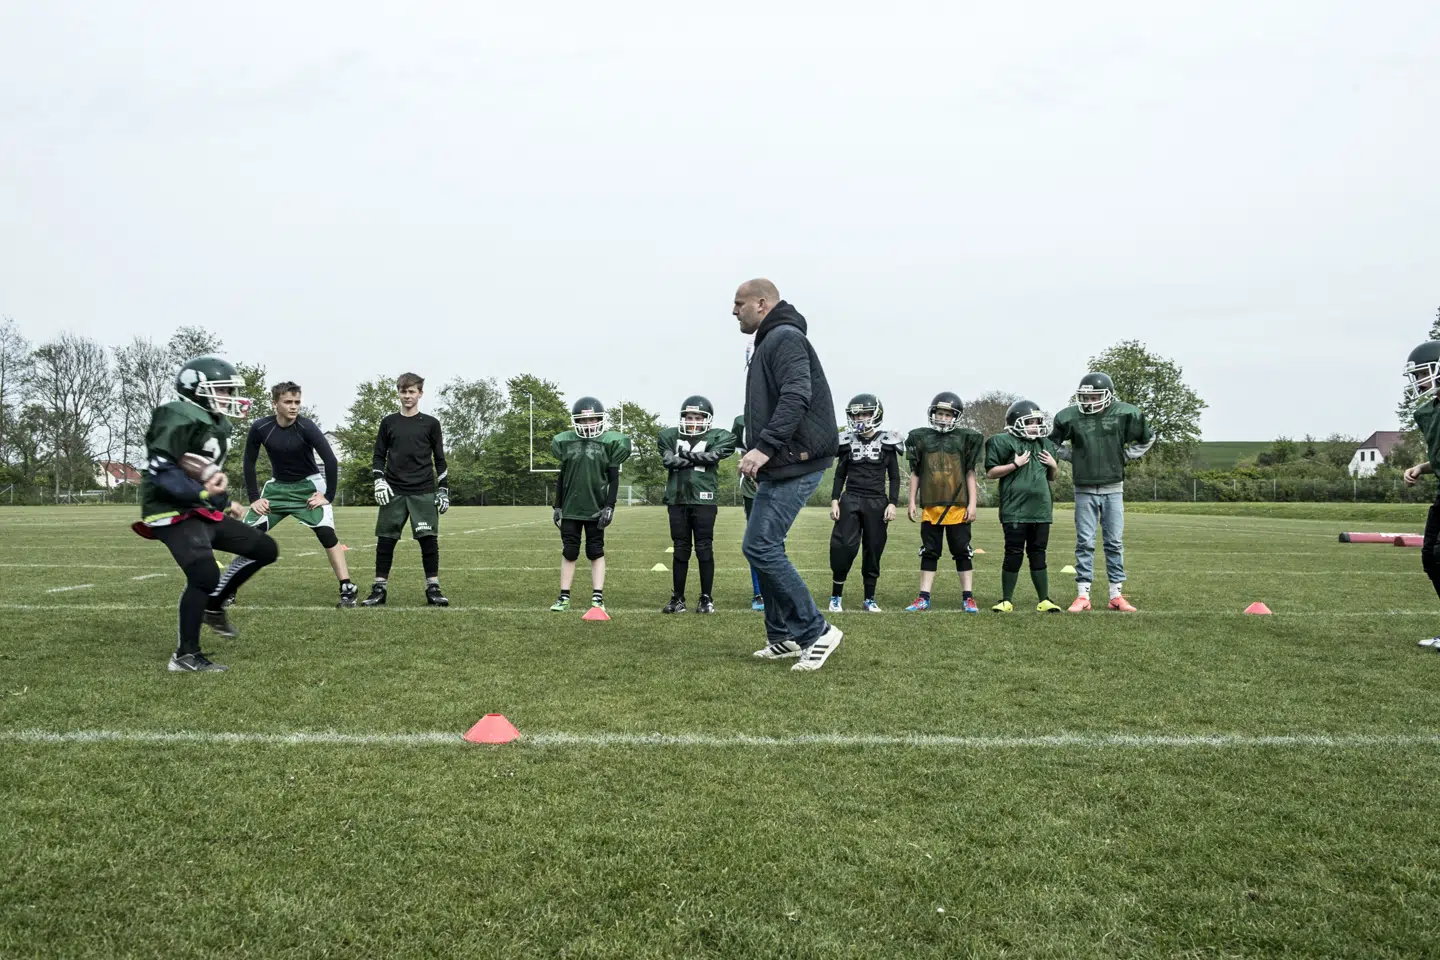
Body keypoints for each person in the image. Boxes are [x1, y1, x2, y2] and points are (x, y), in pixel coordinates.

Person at [131, 355, 279, 672]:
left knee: (264, 548)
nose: (228, 397)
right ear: (197, 390)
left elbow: (205, 475)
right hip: (170, 512)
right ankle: (185, 656)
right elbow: (162, 470)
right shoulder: (176, 414)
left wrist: (225, 502)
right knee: (204, 574)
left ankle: (214, 605)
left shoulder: (215, 424)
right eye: (222, 390)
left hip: (199, 509)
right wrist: (202, 493)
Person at [733, 278, 843, 672]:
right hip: (782, 461)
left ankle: (816, 632)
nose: (734, 311)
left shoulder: (784, 338)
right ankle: (783, 636)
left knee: (762, 546)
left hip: (794, 459)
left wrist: (763, 447)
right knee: (758, 546)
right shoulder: (771, 340)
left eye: (739, 303)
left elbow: (798, 394)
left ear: (762, 303)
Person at [236, 381, 355, 608]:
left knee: (327, 535)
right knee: (248, 536)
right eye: (288, 402)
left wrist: (328, 496)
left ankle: (347, 587)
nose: (294, 407)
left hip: (308, 488)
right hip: (277, 489)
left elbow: (330, 460)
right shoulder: (261, 427)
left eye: (297, 402)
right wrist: (254, 498)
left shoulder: (307, 427)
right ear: (275, 404)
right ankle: (228, 589)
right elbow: (248, 462)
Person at [1049, 371, 1156, 612]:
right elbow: (1052, 443)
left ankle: (1116, 595)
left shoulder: (1126, 413)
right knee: (1085, 541)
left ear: (1107, 395)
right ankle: (1083, 595)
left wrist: (1124, 457)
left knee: (1114, 542)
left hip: (1113, 487)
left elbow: (1147, 438)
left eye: (1094, 396)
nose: (1089, 401)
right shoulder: (1069, 417)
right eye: (1085, 397)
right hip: (1084, 487)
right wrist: (1072, 457)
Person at [361, 372, 450, 607]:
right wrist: (379, 480)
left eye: (412, 391)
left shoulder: (431, 423)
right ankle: (379, 590)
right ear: (398, 393)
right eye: (403, 391)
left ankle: (433, 588)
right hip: (394, 491)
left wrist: (443, 489)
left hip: (423, 490)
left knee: (428, 540)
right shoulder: (388, 422)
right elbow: (379, 456)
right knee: (386, 540)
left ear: (420, 393)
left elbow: (439, 459)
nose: (407, 396)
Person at [550, 396, 631, 614]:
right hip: (571, 507)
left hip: (596, 507)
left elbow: (614, 479)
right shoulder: (566, 442)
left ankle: (597, 597)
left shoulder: (610, 443)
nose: (588, 425)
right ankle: (564, 596)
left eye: (592, 420)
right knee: (569, 551)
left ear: (600, 420)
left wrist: (610, 506)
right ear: (576, 421)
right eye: (583, 421)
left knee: (596, 551)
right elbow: (562, 477)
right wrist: (557, 505)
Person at [904, 392, 984, 612]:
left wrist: (972, 504)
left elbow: (969, 473)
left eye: (947, 415)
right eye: (939, 413)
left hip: (957, 506)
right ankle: (923, 597)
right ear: (932, 414)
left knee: (962, 551)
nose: (943, 418)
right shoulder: (921, 438)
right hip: (931, 506)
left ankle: (968, 597)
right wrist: (911, 501)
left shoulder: (965, 438)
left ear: (955, 417)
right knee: (929, 551)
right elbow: (916, 474)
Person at [658, 396, 737, 614]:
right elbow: (668, 460)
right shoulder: (669, 436)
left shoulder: (719, 436)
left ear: (706, 419)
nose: (693, 420)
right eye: (689, 416)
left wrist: (683, 456)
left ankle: (706, 598)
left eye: (698, 417)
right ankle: (678, 598)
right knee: (680, 549)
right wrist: (696, 457)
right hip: (677, 499)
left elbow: (712, 457)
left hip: (704, 500)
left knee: (704, 549)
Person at [984, 399, 1064, 613]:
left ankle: (1044, 599)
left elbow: (1052, 477)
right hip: (1015, 510)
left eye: (1038, 420)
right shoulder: (1001, 442)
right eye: (1031, 421)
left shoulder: (1045, 444)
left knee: (1038, 553)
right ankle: (1006, 599)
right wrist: (1014, 464)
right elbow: (991, 473)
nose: (1036, 425)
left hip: (1041, 509)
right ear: (1016, 422)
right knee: (1013, 553)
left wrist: (1054, 466)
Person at [828, 393, 902, 613]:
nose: (860, 418)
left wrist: (893, 503)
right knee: (843, 547)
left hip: (877, 501)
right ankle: (836, 596)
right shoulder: (847, 441)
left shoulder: (888, 441)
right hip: (850, 498)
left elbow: (895, 476)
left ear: (876, 414)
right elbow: (839, 475)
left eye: (865, 413)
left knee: (874, 548)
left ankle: (869, 598)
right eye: (857, 414)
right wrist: (834, 500)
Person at [1402, 341, 1440, 648]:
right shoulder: (1428, 412)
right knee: (1431, 558)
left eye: (1423, 374)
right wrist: (1420, 467)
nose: (1419, 382)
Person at [732, 413, 764, 610]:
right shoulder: (742, 421)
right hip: (752, 489)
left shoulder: (785, 414)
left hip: (779, 484)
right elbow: (742, 456)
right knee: (756, 541)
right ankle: (759, 593)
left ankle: (777, 590)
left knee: (777, 541)